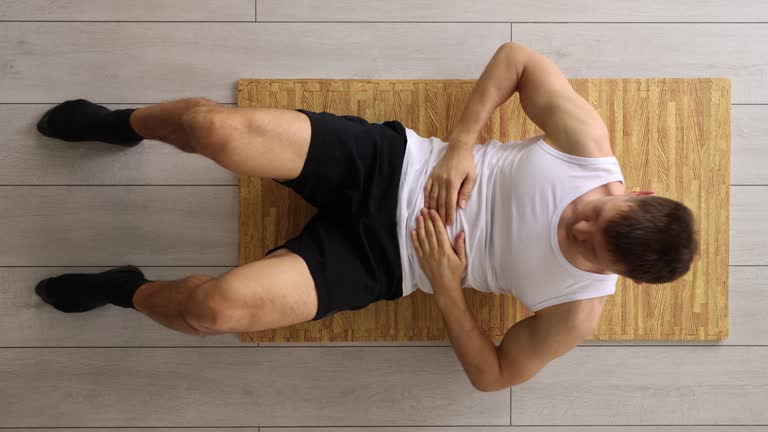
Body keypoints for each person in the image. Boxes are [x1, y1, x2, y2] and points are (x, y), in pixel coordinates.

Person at [33, 42, 698, 392]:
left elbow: (493, 377)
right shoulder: (587, 147)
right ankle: (121, 124)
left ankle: (119, 287)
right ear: (632, 192)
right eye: (593, 215)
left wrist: (446, 289)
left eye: (590, 249)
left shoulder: (578, 311)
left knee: (216, 311)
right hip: (392, 164)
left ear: (618, 278)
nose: (576, 231)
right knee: (213, 130)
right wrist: (464, 144)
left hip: (387, 262)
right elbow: (519, 58)